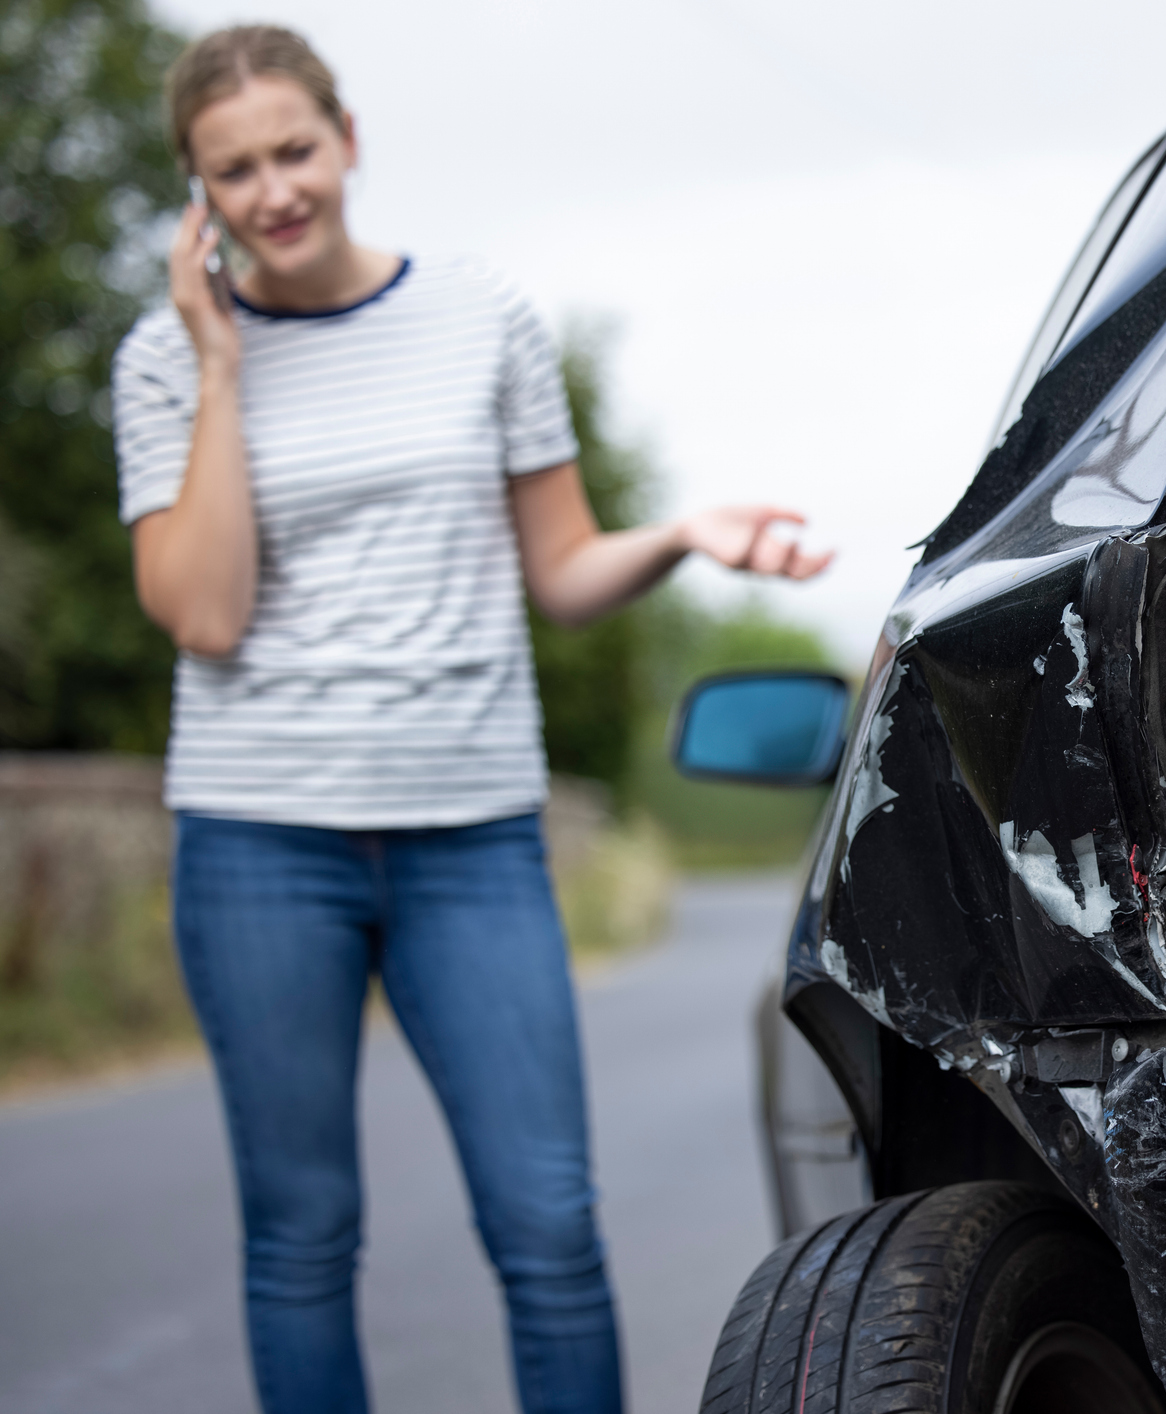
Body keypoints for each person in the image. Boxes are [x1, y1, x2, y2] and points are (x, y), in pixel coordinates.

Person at [111, 25, 829, 1414]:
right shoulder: (163, 358)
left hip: (471, 835)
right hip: (262, 841)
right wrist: (216, 363)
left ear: (349, 138)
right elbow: (203, 611)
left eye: (294, 150)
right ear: (197, 194)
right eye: (235, 170)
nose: (274, 191)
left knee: (549, 1225)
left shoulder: (480, 312)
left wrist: (679, 531)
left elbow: (560, 573)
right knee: (303, 1236)